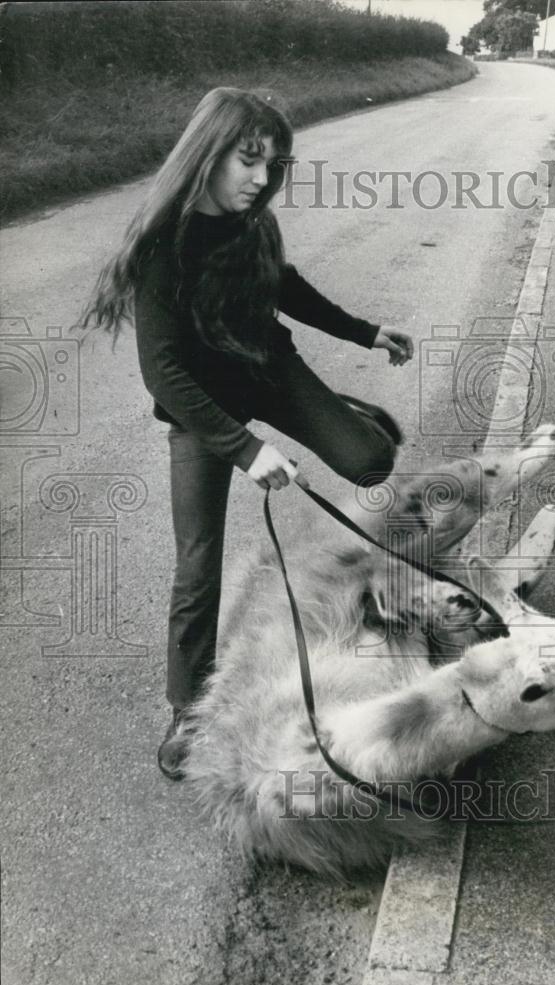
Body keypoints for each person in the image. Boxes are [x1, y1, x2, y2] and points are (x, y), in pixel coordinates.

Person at [81, 87, 414, 780]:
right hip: (202, 413)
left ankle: (336, 415)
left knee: (371, 459)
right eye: (249, 159)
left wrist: (365, 331)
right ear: (209, 153)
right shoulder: (161, 247)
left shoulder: (253, 225)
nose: (262, 179)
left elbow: (285, 287)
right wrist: (245, 447)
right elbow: (164, 374)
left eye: (274, 165)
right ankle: (185, 707)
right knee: (197, 566)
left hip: (267, 370)